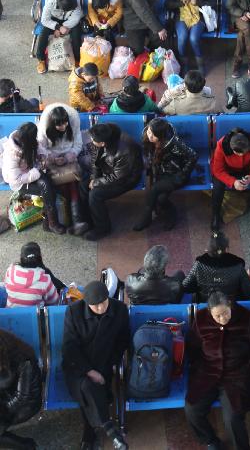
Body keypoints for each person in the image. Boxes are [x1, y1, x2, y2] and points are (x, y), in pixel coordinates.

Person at [185, 292, 250, 450]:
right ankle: (210, 440)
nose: (222, 319)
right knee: (192, 409)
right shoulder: (201, 319)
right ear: (210, 312)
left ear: (230, 305)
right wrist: (199, 366)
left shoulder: (247, 318)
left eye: (225, 313)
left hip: (237, 375)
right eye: (217, 316)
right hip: (208, 372)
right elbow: (193, 345)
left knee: (233, 417)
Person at [62, 280, 129, 450]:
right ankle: (110, 429)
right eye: (95, 306)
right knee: (87, 385)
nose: (100, 308)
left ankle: (90, 431)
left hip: (104, 364)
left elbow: (123, 340)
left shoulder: (119, 310)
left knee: (90, 388)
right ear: (87, 304)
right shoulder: (73, 312)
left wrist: (112, 361)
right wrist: (89, 370)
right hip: (77, 365)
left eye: (103, 303)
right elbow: (69, 347)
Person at [76, 122, 143, 241]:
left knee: (95, 194)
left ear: (103, 143)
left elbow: (118, 177)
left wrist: (96, 183)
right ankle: (86, 220)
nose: (91, 141)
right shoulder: (105, 134)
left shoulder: (126, 150)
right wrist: (93, 178)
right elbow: (96, 161)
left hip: (127, 179)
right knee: (83, 184)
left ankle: (103, 228)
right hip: (109, 169)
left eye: (93, 140)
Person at [132, 118, 197, 232]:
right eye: (149, 131)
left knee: (155, 189)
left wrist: (183, 174)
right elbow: (147, 155)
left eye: (154, 135)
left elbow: (193, 156)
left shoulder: (174, 144)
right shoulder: (147, 139)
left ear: (161, 136)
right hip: (161, 173)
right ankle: (171, 214)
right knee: (161, 199)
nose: (150, 136)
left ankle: (146, 217)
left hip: (175, 174)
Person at [1, 122, 65, 235]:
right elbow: (15, 179)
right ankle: (51, 223)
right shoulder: (12, 154)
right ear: (29, 138)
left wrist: (47, 158)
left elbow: (41, 151)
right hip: (21, 182)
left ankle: (49, 223)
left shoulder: (29, 142)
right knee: (48, 190)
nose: (36, 138)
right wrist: (35, 172)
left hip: (33, 173)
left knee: (48, 188)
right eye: (34, 136)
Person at [210, 127, 250, 230]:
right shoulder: (221, 145)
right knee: (217, 185)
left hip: (247, 168)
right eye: (238, 153)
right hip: (228, 170)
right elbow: (218, 170)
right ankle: (215, 214)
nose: (241, 155)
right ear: (231, 148)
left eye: (244, 153)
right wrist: (233, 182)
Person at [182, 232, 250, 303]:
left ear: (208, 249)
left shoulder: (199, 265)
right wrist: (248, 277)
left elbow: (185, 286)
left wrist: (199, 286)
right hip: (230, 302)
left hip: (207, 301)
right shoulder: (238, 265)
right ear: (226, 249)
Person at [0, 327, 41, 450]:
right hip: (5, 397)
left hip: (24, 405)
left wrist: (1, 411)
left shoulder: (23, 359)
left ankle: (26, 446)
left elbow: (22, 397)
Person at [168, 0, 214, 75]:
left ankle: (200, 65)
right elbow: (168, 3)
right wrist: (181, 3)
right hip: (182, 16)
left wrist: (198, 2)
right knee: (182, 38)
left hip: (199, 16)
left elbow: (213, 3)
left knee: (193, 38)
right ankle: (185, 64)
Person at [35, 0, 82, 75]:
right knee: (44, 33)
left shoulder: (75, 1)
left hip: (69, 21)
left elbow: (76, 17)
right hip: (54, 20)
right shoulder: (50, 1)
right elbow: (44, 20)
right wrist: (58, 27)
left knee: (76, 34)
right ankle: (41, 59)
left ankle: (77, 60)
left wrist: (65, 27)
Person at [4, 240, 60, 308]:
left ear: (21, 258)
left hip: (10, 316)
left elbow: (6, 287)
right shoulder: (45, 279)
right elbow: (55, 302)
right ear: (40, 258)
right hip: (34, 317)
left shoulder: (10, 270)